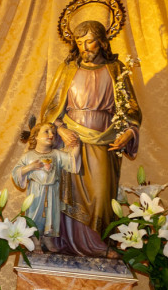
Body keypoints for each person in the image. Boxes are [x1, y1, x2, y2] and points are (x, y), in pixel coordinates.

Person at [38, 19, 142, 256]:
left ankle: (100, 244)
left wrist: (128, 132)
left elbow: (131, 110)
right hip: (71, 139)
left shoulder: (116, 70)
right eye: (80, 42)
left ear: (103, 42)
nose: (85, 47)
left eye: (90, 41)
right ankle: (64, 243)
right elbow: (51, 108)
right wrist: (61, 129)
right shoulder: (67, 70)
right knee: (68, 192)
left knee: (101, 193)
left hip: (105, 138)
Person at [11, 121, 79, 251]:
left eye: (53, 133)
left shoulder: (56, 154)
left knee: (51, 216)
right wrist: (30, 167)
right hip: (36, 191)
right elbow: (16, 172)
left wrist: (77, 145)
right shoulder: (29, 156)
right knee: (35, 216)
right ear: (36, 136)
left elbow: (71, 161)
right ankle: (36, 241)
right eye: (46, 131)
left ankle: (48, 240)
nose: (51, 135)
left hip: (52, 190)